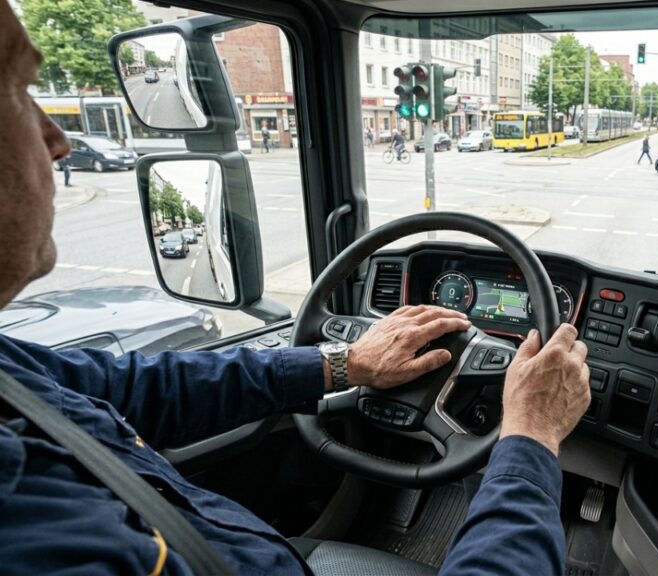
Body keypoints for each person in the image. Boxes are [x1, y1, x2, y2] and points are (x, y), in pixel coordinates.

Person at [0, 6, 590, 574]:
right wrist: (532, 432)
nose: (59, 142)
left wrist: (344, 361)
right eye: (21, 93)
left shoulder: (10, 379)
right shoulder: (38, 537)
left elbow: (134, 390)